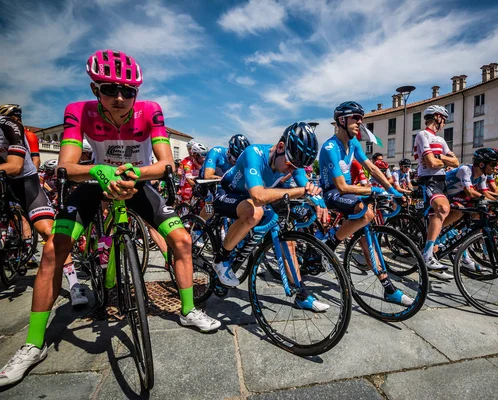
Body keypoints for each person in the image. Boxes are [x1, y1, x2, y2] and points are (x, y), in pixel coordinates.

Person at [0, 50, 221, 388]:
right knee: (51, 253)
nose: (119, 98)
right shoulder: (79, 112)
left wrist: (136, 172)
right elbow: (67, 167)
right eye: (109, 89)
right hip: (93, 183)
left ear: (137, 93)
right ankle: (33, 344)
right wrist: (99, 171)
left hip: (138, 183)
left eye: (128, 92)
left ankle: (188, 310)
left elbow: (166, 165)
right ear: (94, 89)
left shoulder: (151, 111)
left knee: (182, 240)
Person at [211, 122, 328, 310]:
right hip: (228, 193)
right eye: (290, 165)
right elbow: (258, 195)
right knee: (254, 212)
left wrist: (319, 200)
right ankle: (221, 259)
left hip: (252, 198)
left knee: (287, 240)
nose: (291, 171)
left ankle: (302, 294)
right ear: (280, 147)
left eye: (296, 168)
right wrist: (300, 191)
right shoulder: (254, 153)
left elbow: (306, 186)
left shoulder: (291, 160)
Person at [319, 101, 411, 304]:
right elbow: (341, 187)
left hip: (349, 192)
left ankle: (388, 289)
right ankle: (330, 244)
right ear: (342, 120)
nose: (360, 122)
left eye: (361, 119)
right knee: (366, 213)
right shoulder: (329, 147)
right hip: (333, 192)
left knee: (368, 230)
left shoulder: (354, 144)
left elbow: (373, 168)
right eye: (356, 118)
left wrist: (392, 190)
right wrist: (373, 189)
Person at [413, 105, 459, 279]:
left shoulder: (441, 140)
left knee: (455, 213)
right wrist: (443, 160)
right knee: (442, 210)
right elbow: (431, 163)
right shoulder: (422, 135)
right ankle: (427, 255)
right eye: (444, 119)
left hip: (441, 181)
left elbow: (456, 162)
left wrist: (440, 158)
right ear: (438, 117)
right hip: (428, 181)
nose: (444, 123)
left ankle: (434, 257)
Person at [444, 148, 498, 271]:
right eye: (493, 164)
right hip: (443, 193)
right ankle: (441, 234)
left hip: (457, 195)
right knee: (459, 210)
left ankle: (460, 240)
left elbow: (485, 193)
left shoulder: (482, 176)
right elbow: (470, 192)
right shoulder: (466, 170)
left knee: (477, 214)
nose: (495, 167)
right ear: (482, 164)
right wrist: (490, 200)